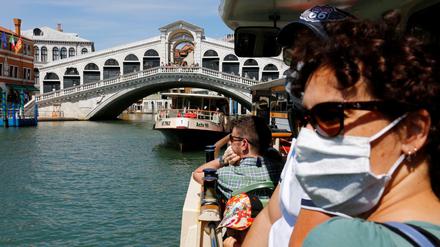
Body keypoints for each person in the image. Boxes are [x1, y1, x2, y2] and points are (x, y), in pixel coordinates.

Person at [285, 10, 440, 246]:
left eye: (329, 114)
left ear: (413, 131)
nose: (308, 134)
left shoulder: (340, 239)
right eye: (305, 118)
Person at [243, 6, 356, 247]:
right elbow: (271, 217)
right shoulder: (306, 137)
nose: (299, 65)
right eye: (295, 55)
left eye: (312, 53)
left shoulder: (350, 147)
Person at [193, 115, 282, 200]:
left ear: (244, 144)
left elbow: (197, 173)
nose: (230, 143)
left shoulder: (227, 175)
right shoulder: (281, 170)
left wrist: (224, 160)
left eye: (232, 139)